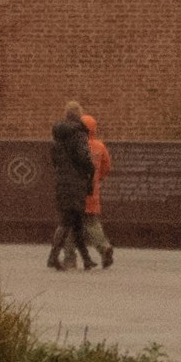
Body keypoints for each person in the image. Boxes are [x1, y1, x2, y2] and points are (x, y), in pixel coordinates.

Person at [48, 103, 98, 274]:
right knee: (67, 220)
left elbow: (54, 160)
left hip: (62, 181)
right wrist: (90, 169)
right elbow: (83, 156)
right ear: (79, 115)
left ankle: (87, 259)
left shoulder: (57, 135)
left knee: (76, 222)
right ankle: (53, 257)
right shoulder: (79, 133)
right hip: (75, 182)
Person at [77, 109, 114, 270]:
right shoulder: (99, 146)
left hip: (78, 189)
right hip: (93, 190)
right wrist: (97, 178)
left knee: (74, 223)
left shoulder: (78, 144)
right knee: (92, 221)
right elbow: (106, 167)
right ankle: (104, 247)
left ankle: (70, 256)